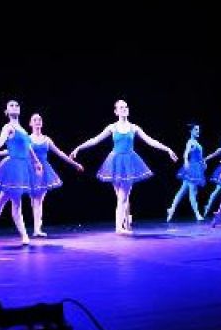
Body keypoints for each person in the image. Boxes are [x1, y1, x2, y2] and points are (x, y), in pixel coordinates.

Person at [70, 100, 178, 234]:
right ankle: (126, 223)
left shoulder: (134, 128)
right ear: (116, 112)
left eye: (126, 107)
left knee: (123, 196)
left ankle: (119, 227)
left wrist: (167, 149)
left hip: (129, 162)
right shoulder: (112, 127)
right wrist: (79, 148)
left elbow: (150, 141)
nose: (124, 109)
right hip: (114, 163)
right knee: (122, 197)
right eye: (121, 107)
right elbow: (95, 140)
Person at [0, 113, 83, 237]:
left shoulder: (47, 139)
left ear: (42, 123)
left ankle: (37, 229)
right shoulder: (27, 138)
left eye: (39, 119)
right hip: (28, 169)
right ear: (30, 123)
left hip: (42, 171)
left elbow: (60, 153)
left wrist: (74, 164)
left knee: (38, 200)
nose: (38, 121)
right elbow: (13, 150)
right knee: (14, 198)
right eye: (35, 120)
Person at [0, 100, 43, 245]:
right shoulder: (8, 127)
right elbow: (1, 140)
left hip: (23, 167)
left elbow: (28, 148)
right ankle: (23, 235)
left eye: (16, 105)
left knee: (4, 199)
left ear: (19, 110)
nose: (14, 107)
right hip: (13, 167)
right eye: (11, 106)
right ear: (7, 112)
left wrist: (36, 161)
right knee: (14, 201)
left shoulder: (23, 130)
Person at [167, 123, 206, 222]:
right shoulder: (190, 142)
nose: (198, 131)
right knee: (192, 191)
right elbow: (186, 153)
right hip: (191, 168)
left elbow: (200, 156)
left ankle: (171, 209)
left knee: (182, 191)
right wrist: (185, 161)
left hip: (197, 168)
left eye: (198, 129)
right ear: (191, 131)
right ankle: (197, 214)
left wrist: (203, 163)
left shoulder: (196, 143)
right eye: (196, 129)